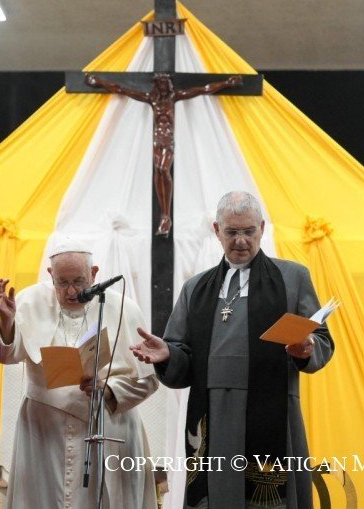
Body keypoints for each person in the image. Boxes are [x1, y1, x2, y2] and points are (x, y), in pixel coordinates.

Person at [131, 191, 334, 508]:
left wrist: (307, 348)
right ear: (217, 230)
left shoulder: (292, 278)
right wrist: (168, 354)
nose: (241, 241)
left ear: (262, 228)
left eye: (249, 231)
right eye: (232, 232)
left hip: (272, 408)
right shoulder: (196, 288)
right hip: (213, 412)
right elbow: (181, 349)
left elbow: (322, 338)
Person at [0, 241, 159, 509]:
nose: (71, 291)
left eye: (79, 281)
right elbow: (4, 354)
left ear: (94, 273)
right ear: (50, 274)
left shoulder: (123, 308)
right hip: (44, 433)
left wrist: (109, 389)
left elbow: (149, 378)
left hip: (107, 425)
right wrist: (7, 323)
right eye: (62, 282)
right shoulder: (29, 301)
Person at [85, 72, 241, 236]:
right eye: (161, 84)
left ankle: (166, 216)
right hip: (157, 141)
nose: (164, 87)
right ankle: (164, 216)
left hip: (167, 141)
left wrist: (227, 83)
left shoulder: (174, 97)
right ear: (157, 86)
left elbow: (204, 89)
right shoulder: (152, 99)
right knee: (158, 170)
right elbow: (121, 89)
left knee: (163, 170)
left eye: (166, 84)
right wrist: (99, 81)